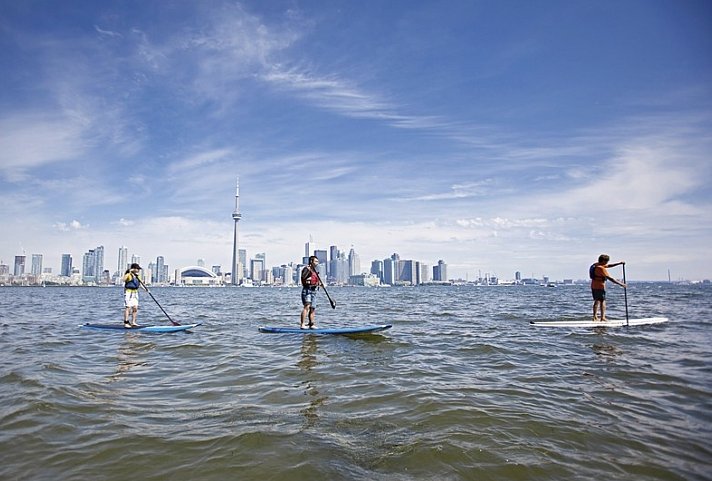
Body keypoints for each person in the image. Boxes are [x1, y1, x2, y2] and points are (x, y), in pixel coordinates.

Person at [590, 254, 627, 321]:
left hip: (593, 285)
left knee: (596, 301)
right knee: (602, 301)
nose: (607, 263)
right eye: (606, 261)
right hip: (600, 286)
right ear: (603, 261)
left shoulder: (596, 265)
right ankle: (602, 318)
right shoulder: (601, 268)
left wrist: (619, 263)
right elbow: (610, 278)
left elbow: (609, 266)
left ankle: (594, 317)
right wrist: (621, 284)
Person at [300, 256, 321, 329]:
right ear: (311, 261)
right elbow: (303, 276)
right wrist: (308, 271)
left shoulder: (315, 271)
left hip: (314, 291)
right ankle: (302, 324)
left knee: (313, 308)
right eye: (316, 261)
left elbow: (315, 280)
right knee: (307, 307)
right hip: (307, 290)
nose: (317, 263)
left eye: (317, 261)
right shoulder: (307, 269)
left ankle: (311, 324)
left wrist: (319, 284)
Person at [123, 263, 145, 328]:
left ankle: (133, 322)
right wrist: (129, 271)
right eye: (137, 269)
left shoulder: (138, 276)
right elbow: (123, 279)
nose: (138, 270)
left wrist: (146, 290)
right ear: (133, 269)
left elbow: (141, 284)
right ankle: (126, 322)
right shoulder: (128, 275)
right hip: (128, 292)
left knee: (135, 308)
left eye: (138, 269)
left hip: (135, 293)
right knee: (128, 307)